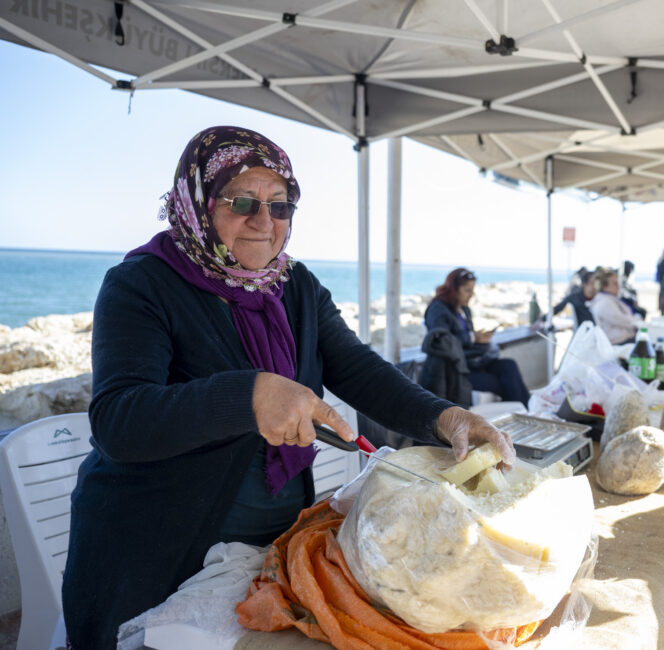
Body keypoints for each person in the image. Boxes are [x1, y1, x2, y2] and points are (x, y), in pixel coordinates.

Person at [61, 126, 515, 650]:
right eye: (242, 201)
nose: (264, 221)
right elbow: (121, 420)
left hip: (272, 545)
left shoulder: (294, 285)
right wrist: (248, 395)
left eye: (280, 206)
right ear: (199, 205)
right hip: (155, 552)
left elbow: (358, 368)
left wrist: (447, 418)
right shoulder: (141, 283)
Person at [423, 268, 531, 406]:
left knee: (509, 365)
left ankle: (526, 410)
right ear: (453, 289)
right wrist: (473, 338)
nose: (471, 295)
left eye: (472, 290)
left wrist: (480, 339)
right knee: (504, 383)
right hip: (454, 369)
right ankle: (522, 412)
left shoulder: (464, 309)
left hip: (473, 362)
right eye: (467, 291)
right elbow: (442, 341)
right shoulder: (437, 309)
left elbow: (465, 338)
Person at [588, 266, 640, 344]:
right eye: (615, 284)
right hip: (618, 342)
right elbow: (623, 321)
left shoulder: (609, 299)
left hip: (622, 339)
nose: (618, 286)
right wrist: (638, 321)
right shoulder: (605, 303)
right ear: (604, 287)